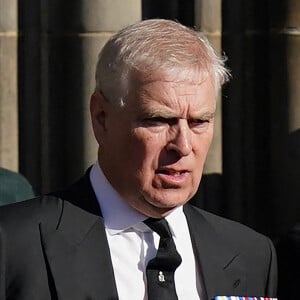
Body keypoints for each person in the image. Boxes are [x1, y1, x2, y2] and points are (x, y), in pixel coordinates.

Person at [0, 19, 277, 300]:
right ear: (101, 118)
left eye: (199, 122)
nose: (183, 145)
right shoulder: (14, 244)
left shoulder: (251, 254)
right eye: (158, 120)